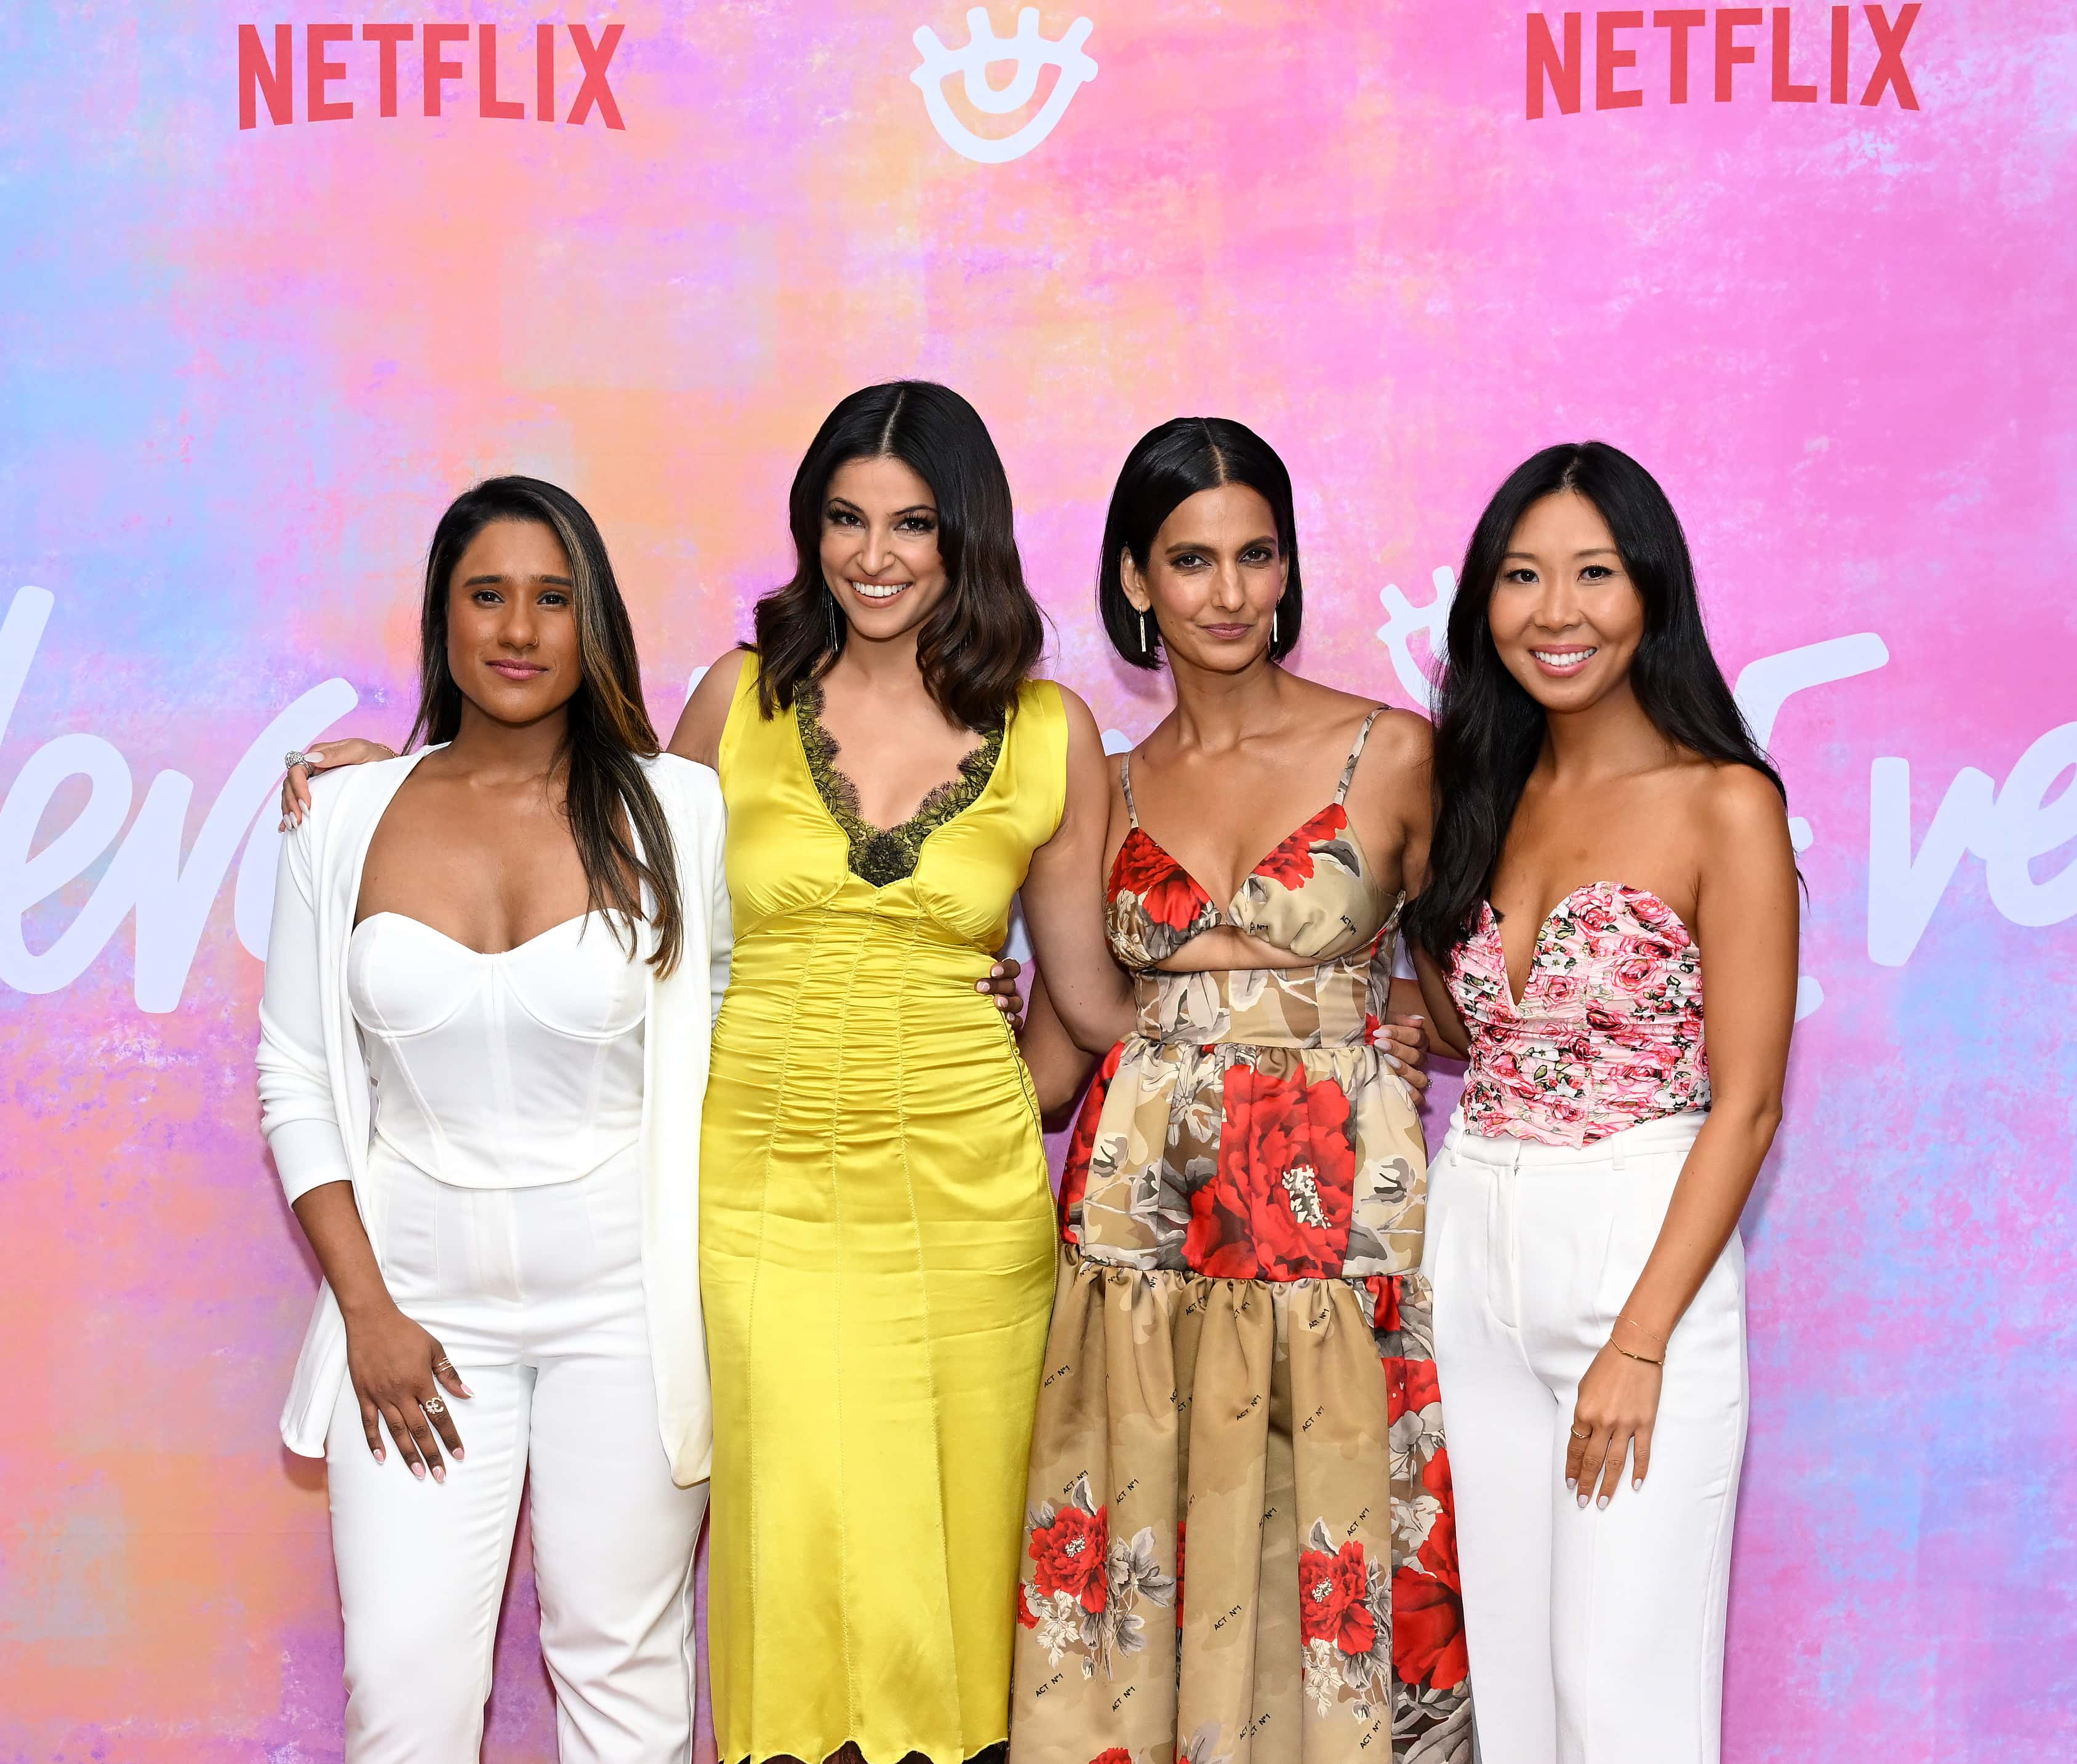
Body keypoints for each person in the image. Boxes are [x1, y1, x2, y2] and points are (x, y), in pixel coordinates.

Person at [659, 379, 1135, 1764]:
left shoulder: (1050, 734)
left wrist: (1316, 982)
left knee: (958, 1542)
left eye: (910, 524)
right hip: (759, 1184)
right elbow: (606, 891)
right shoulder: (733, 701)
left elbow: (1088, 996)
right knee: (788, 1534)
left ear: (962, 536)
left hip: (966, 1198)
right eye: (844, 520)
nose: (873, 555)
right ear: (809, 531)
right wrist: (392, 783)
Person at [1009, 417, 1467, 1763]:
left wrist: (1388, 1005)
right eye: (1190, 560)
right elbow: (1070, 1035)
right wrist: (939, 1024)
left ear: (1285, 571)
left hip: (1340, 1232)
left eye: (1254, 556)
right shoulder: (1100, 782)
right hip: (1142, 1235)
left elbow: (1459, 997)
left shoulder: (1390, 752)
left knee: (1328, 1541)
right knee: (1158, 1532)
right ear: (1135, 582)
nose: (1228, 593)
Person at [255, 477, 729, 1763]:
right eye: (486, 594)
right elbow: (293, 1077)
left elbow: (753, 1014)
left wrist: (960, 988)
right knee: (403, 1694)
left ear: (592, 624)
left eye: (552, 597)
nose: (518, 628)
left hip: (626, 1320)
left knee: (623, 1681)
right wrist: (367, 1313)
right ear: (442, 618)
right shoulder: (340, 816)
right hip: (411, 1316)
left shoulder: (679, 811)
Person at [1400, 442, 1798, 1764]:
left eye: (1591, 574)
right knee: (1511, 1695)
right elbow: (1491, 1029)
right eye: (1519, 577)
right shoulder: (1482, 792)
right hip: (1473, 1235)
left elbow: (1744, 1105)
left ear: (1650, 595)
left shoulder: (1721, 803)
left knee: (1618, 1699)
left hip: (1639, 1249)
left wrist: (1638, 1343)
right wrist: (1411, 1023)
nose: (1553, 611)